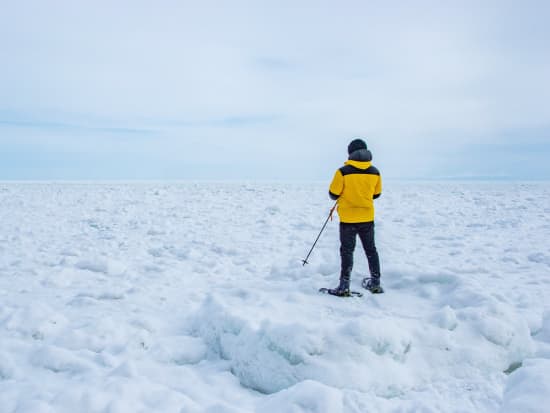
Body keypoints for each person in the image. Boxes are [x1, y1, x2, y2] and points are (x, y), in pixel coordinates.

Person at [328, 138, 383, 296]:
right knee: (371, 250)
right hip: (367, 217)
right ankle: (375, 283)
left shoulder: (342, 172)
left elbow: (333, 194)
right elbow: (377, 194)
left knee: (347, 251)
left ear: (350, 153)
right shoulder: (375, 172)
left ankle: (344, 286)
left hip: (348, 219)